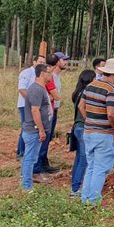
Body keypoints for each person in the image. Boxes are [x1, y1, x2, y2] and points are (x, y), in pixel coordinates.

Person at [78, 58, 114, 204]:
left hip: (89, 132)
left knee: (91, 167)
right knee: (100, 169)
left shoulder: (90, 86)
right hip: (104, 134)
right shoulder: (111, 90)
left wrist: (89, 120)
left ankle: (85, 200)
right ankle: (93, 201)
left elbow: (81, 106)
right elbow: (111, 114)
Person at [20, 63, 52, 192]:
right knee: (30, 158)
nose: (51, 75)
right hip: (33, 130)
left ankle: (25, 181)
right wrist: (41, 130)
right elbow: (35, 110)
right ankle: (26, 186)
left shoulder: (40, 88)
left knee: (31, 158)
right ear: (43, 74)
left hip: (35, 130)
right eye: (49, 72)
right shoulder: (37, 89)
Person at [36, 51, 69, 175]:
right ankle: (39, 167)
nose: (66, 62)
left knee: (47, 138)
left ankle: (43, 163)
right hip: (48, 111)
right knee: (44, 138)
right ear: (57, 62)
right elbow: (56, 96)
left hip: (53, 109)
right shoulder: (49, 77)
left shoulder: (55, 76)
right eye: (63, 60)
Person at [68, 69, 97, 196]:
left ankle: (75, 186)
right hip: (83, 128)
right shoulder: (87, 93)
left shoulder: (78, 92)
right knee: (84, 160)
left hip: (77, 128)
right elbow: (82, 108)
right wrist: (89, 121)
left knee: (79, 158)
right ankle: (76, 189)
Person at [16, 54, 45, 158]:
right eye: (40, 62)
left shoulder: (41, 74)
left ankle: (29, 152)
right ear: (34, 62)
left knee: (33, 129)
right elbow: (22, 89)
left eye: (43, 62)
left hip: (35, 106)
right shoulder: (26, 73)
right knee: (26, 129)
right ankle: (21, 152)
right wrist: (32, 101)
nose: (42, 64)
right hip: (25, 105)